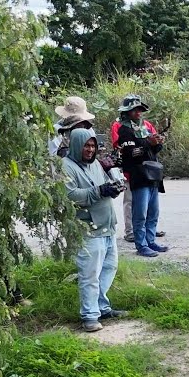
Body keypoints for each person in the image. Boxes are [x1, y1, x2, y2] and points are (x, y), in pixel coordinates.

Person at [62, 128, 125, 333]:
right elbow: (70, 195)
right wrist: (99, 191)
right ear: (76, 146)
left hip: (107, 226)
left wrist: (112, 189)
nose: (90, 150)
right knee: (90, 275)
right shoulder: (66, 166)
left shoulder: (95, 164)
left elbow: (103, 186)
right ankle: (89, 316)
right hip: (88, 228)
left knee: (109, 268)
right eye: (86, 146)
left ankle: (101, 307)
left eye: (93, 145)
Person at [115, 94, 168, 258]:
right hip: (138, 175)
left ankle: (150, 241)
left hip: (152, 174)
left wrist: (158, 143)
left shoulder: (145, 127)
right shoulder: (124, 129)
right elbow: (131, 153)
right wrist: (148, 143)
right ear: (127, 112)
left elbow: (152, 151)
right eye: (134, 110)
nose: (138, 113)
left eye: (139, 109)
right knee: (140, 214)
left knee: (153, 212)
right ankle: (141, 245)